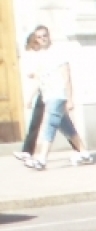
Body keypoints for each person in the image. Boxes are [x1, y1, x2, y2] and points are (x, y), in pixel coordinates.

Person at [22, 25, 94, 170]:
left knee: (49, 126)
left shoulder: (58, 53)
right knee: (67, 128)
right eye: (39, 37)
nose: (42, 39)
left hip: (58, 95)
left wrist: (70, 99)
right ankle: (85, 153)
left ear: (49, 37)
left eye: (44, 36)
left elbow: (67, 76)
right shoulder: (41, 57)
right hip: (48, 96)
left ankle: (41, 159)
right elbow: (39, 81)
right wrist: (30, 98)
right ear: (36, 39)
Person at [13, 29, 46, 163]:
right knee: (38, 122)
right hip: (45, 92)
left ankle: (81, 150)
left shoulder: (43, 57)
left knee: (37, 122)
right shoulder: (39, 56)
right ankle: (27, 151)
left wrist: (29, 98)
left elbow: (40, 80)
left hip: (49, 93)